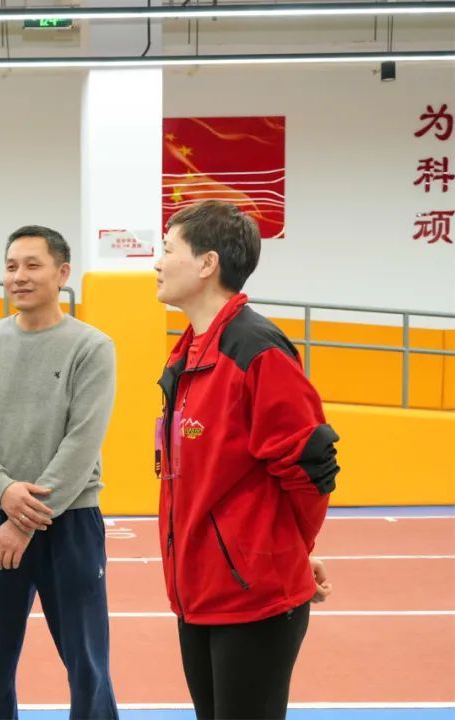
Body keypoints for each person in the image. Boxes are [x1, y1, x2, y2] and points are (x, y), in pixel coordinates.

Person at [153, 200, 338, 720]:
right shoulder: (188, 353)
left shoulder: (256, 350)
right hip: (198, 593)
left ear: (207, 263)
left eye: (167, 249)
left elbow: (311, 470)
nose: (157, 263)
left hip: (252, 599)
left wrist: (287, 552)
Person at [0, 225, 119, 720]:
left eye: (32, 265)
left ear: (62, 273)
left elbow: (82, 442)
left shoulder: (92, 347)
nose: (18, 276)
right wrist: (4, 492)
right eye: (11, 267)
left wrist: (25, 519)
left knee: (87, 664)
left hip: (69, 522)